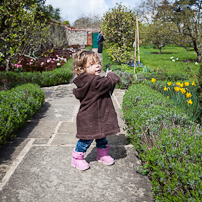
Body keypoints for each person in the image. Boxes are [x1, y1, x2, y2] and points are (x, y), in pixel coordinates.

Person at [71, 50, 120, 171]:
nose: (97, 65)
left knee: (101, 135)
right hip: (89, 117)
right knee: (86, 139)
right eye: (92, 64)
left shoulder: (89, 80)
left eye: (98, 62)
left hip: (97, 115)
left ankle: (102, 154)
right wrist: (112, 76)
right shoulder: (93, 81)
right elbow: (107, 82)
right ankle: (77, 158)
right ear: (82, 69)